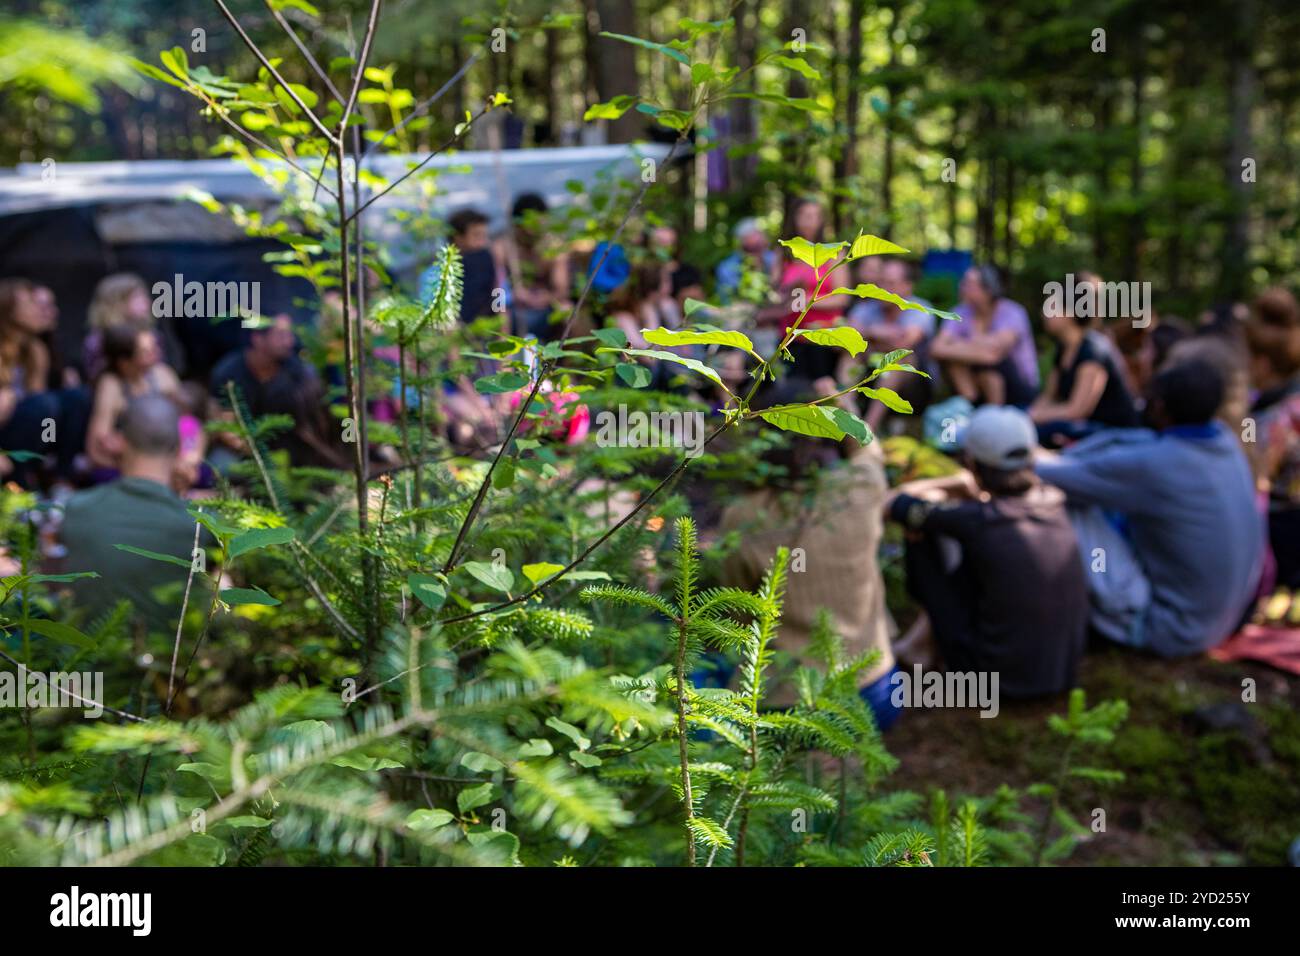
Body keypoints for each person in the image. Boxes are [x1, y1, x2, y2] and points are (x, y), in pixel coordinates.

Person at [1035, 358, 1263, 656]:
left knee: (1073, 502)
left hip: (1170, 629)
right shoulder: (1225, 441)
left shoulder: (1158, 464)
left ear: (1159, 408)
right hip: (1223, 620)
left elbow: (1050, 475)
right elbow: (1135, 443)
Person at [721, 376, 900, 727]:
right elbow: (869, 449)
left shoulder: (743, 516)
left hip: (784, 701)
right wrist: (843, 408)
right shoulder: (858, 488)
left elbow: (737, 609)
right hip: (875, 689)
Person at [884, 405, 1088, 697]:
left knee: (922, 531)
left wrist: (953, 484)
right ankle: (922, 642)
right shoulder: (1053, 501)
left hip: (992, 686)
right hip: (1060, 674)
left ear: (973, 464)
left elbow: (896, 505)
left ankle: (923, 652)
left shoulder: (979, 520)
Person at [61, 396, 211, 629]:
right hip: (171, 661)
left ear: (120, 441)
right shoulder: (200, 527)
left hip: (86, 660)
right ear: (179, 446)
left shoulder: (77, 509)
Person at [209, 314, 346, 469]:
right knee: (220, 467)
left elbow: (315, 423)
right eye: (281, 335)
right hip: (245, 451)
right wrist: (260, 456)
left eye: (290, 335)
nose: (290, 342)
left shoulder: (298, 372)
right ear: (258, 339)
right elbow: (223, 426)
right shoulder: (228, 372)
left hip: (293, 451)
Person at [86, 325, 204, 489]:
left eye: (155, 348)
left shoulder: (163, 375)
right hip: (129, 467)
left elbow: (189, 424)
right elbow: (97, 449)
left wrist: (189, 457)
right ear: (124, 362)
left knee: (203, 473)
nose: (156, 355)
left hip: (167, 458)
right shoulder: (111, 385)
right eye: (146, 352)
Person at [0, 278, 90, 487]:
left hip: (31, 430)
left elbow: (39, 401)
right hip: (5, 431)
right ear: (10, 311)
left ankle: (60, 477)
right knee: (41, 405)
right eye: (31, 303)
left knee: (74, 399)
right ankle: (19, 481)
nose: (40, 310)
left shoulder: (36, 350)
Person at [756, 198, 852, 381]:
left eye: (815, 216)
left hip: (824, 336)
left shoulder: (834, 253)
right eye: (805, 215)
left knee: (822, 387)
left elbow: (842, 298)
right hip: (789, 337)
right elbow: (773, 292)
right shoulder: (783, 252)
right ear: (795, 218)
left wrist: (807, 299)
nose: (810, 221)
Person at [1030, 286, 1140, 445]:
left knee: (1042, 432)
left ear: (1071, 313)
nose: (1044, 313)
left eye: (1052, 307)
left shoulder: (1093, 350)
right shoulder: (1063, 348)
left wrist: (1036, 416)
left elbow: (1078, 410)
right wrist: (1027, 415)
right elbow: (1048, 396)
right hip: (1083, 426)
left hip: (1114, 431)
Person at [1244, 288, 1300, 587]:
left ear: (1263, 363)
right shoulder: (1289, 402)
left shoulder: (1268, 418)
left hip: (1282, 536)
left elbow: (1258, 480)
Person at [848, 257, 939, 431]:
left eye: (891, 283)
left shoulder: (920, 310)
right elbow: (842, 341)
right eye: (880, 282)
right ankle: (843, 412)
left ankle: (868, 430)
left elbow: (903, 345)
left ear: (907, 286)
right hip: (868, 376)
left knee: (898, 361)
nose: (883, 288)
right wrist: (874, 331)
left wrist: (866, 335)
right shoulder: (866, 308)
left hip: (915, 389)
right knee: (850, 356)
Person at [930, 264, 1039, 407]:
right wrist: (978, 349)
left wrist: (957, 344)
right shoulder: (960, 312)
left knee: (991, 368)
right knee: (954, 362)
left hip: (1018, 387)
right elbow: (936, 348)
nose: (962, 287)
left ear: (988, 289)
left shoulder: (1012, 312)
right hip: (976, 383)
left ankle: (994, 416)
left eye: (969, 284)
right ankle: (969, 405)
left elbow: (994, 355)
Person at [497, 193, 572, 341]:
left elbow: (562, 291)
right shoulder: (502, 248)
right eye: (527, 225)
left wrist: (546, 298)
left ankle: (561, 361)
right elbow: (495, 288)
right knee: (497, 310)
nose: (531, 231)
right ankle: (504, 363)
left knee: (568, 312)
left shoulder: (554, 248)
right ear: (516, 223)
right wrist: (510, 296)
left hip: (546, 308)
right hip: (509, 307)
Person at [421, 208, 498, 325]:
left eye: (485, 236)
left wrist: (502, 326)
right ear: (458, 238)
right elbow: (434, 319)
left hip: (491, 330)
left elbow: (500, 292)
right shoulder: (435, 275)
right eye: (477, 236)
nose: (484, 243)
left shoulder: (488, 261)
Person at [715, 217, 777, 303]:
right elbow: (730, 299)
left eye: (759, 246)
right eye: (751, 248)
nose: (755, 254)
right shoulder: (727, 268)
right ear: (740, 246)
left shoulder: (773, 259)